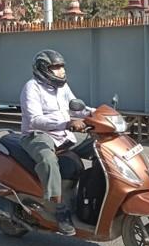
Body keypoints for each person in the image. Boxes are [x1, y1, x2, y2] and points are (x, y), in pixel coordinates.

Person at [20, 49, 94, 236]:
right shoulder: (32, 87)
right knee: (49, 160)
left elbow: (77, 108)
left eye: (61, 66)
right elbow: (35, 120)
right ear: (43, 69)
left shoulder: (62, 87)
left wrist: (98, 113)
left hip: (62, 134)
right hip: (37, 135)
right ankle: (57, 208)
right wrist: (67, 123)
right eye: (55, 67)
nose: (61, 70)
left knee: (96, 148)